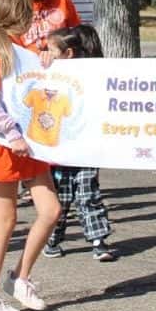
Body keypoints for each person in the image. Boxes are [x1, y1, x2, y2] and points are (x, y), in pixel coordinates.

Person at [0, 0, 61, 311]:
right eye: (28, 13)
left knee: (50, 210)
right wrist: (11, 132)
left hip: (29, 142)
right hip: (4, 144)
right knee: (6, 221)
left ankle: (19, 277)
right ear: (18, 15)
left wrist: (49, 61)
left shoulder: (22, 49)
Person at [41, 25, 117, 262]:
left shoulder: (92, 76)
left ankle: (98, 241)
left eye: (51, 50)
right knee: (61, 198)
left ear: (68, 54)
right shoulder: (49, 73)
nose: (47, 54)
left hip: (86, 149)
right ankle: (52, 240)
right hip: (60, 151)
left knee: (88, 193)